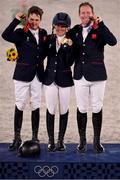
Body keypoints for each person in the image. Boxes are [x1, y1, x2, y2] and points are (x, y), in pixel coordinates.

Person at [68, 2, 117, 153]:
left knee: (97, 107)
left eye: (88, 12)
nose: (85, 15)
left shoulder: (99, 29)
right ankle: (82, 141)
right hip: (80, 75)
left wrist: (101, 23)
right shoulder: (74, 31)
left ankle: (96, 141)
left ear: (92, 14)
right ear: (79, 14)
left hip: (97, 75)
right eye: (82, 12)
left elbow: (112, 41)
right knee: (81, 108)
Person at [2, 6, 47, 151]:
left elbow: (45, 51)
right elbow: (5, 35)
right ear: (27, 18)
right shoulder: (20, 33)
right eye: (31, 19)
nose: (34, 22)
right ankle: (17, 137)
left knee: (36, 105)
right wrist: (16, 20)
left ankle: (35, 136)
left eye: (37, 19)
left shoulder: (44, 33)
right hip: (22, 75)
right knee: (20, 104)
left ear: (40, 20)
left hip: (38, 75)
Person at [44, 12, 74, 151]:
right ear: (54, 26)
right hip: (50, 79)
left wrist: (67, 47)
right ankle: (51, 141)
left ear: (67, 28)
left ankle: (60, 141)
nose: (60, 28)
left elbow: (70, 62)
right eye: (57, 25)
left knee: (63, 110)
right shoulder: (48, 39)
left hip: (65, 80)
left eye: (63, 26)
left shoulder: (71, 41)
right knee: (50, 109)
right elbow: (39, 54)